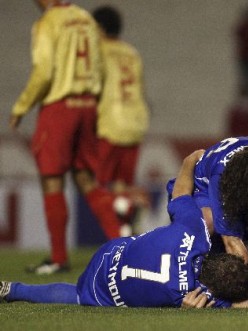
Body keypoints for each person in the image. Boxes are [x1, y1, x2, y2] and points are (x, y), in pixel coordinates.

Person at [0, 151, 248, 308]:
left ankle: (10, 288)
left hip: (111, 252)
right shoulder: (194, 297)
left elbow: (180, 192)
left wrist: (192, 160)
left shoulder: (193, 229)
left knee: (81, 291)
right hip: (113, 292)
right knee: (79, 296)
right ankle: (15, 290)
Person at [9, 0, 124, 275]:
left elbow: (44, 71)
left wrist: (21, 106)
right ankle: (122, 247)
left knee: (52, 178)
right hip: (87, 105)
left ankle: (59, 258)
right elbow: (100, 67)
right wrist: (91, 101)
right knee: (86, 178)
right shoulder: (86, 19)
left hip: (59, 107)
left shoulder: (48, 21)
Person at [92, 6, 151, 231]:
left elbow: (94, 87)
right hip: (136, 123)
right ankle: (125, 227)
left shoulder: (99, 51)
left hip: (110, 123)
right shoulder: (132, 53)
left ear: (99, 27)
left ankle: (125, 211)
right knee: (121, 183)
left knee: (95, 185)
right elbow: (140, 89)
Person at [191, 136, 248, 262]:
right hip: (204, 190)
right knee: (207, 221)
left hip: (245, 185)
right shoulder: (222, 179)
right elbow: (232, 242)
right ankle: (189, 270)